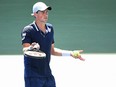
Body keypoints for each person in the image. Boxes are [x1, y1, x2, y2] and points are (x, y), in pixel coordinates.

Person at [21, 2, 85, 87]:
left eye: (46, 12)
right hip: (33, 76)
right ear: (35, 14)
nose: (46, 14)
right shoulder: (28, 30)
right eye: (42, 12)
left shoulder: (50, 28)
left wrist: (71, 53)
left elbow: (52, 51)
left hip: (47, 74)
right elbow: (25, 49)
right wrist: (31, 47)